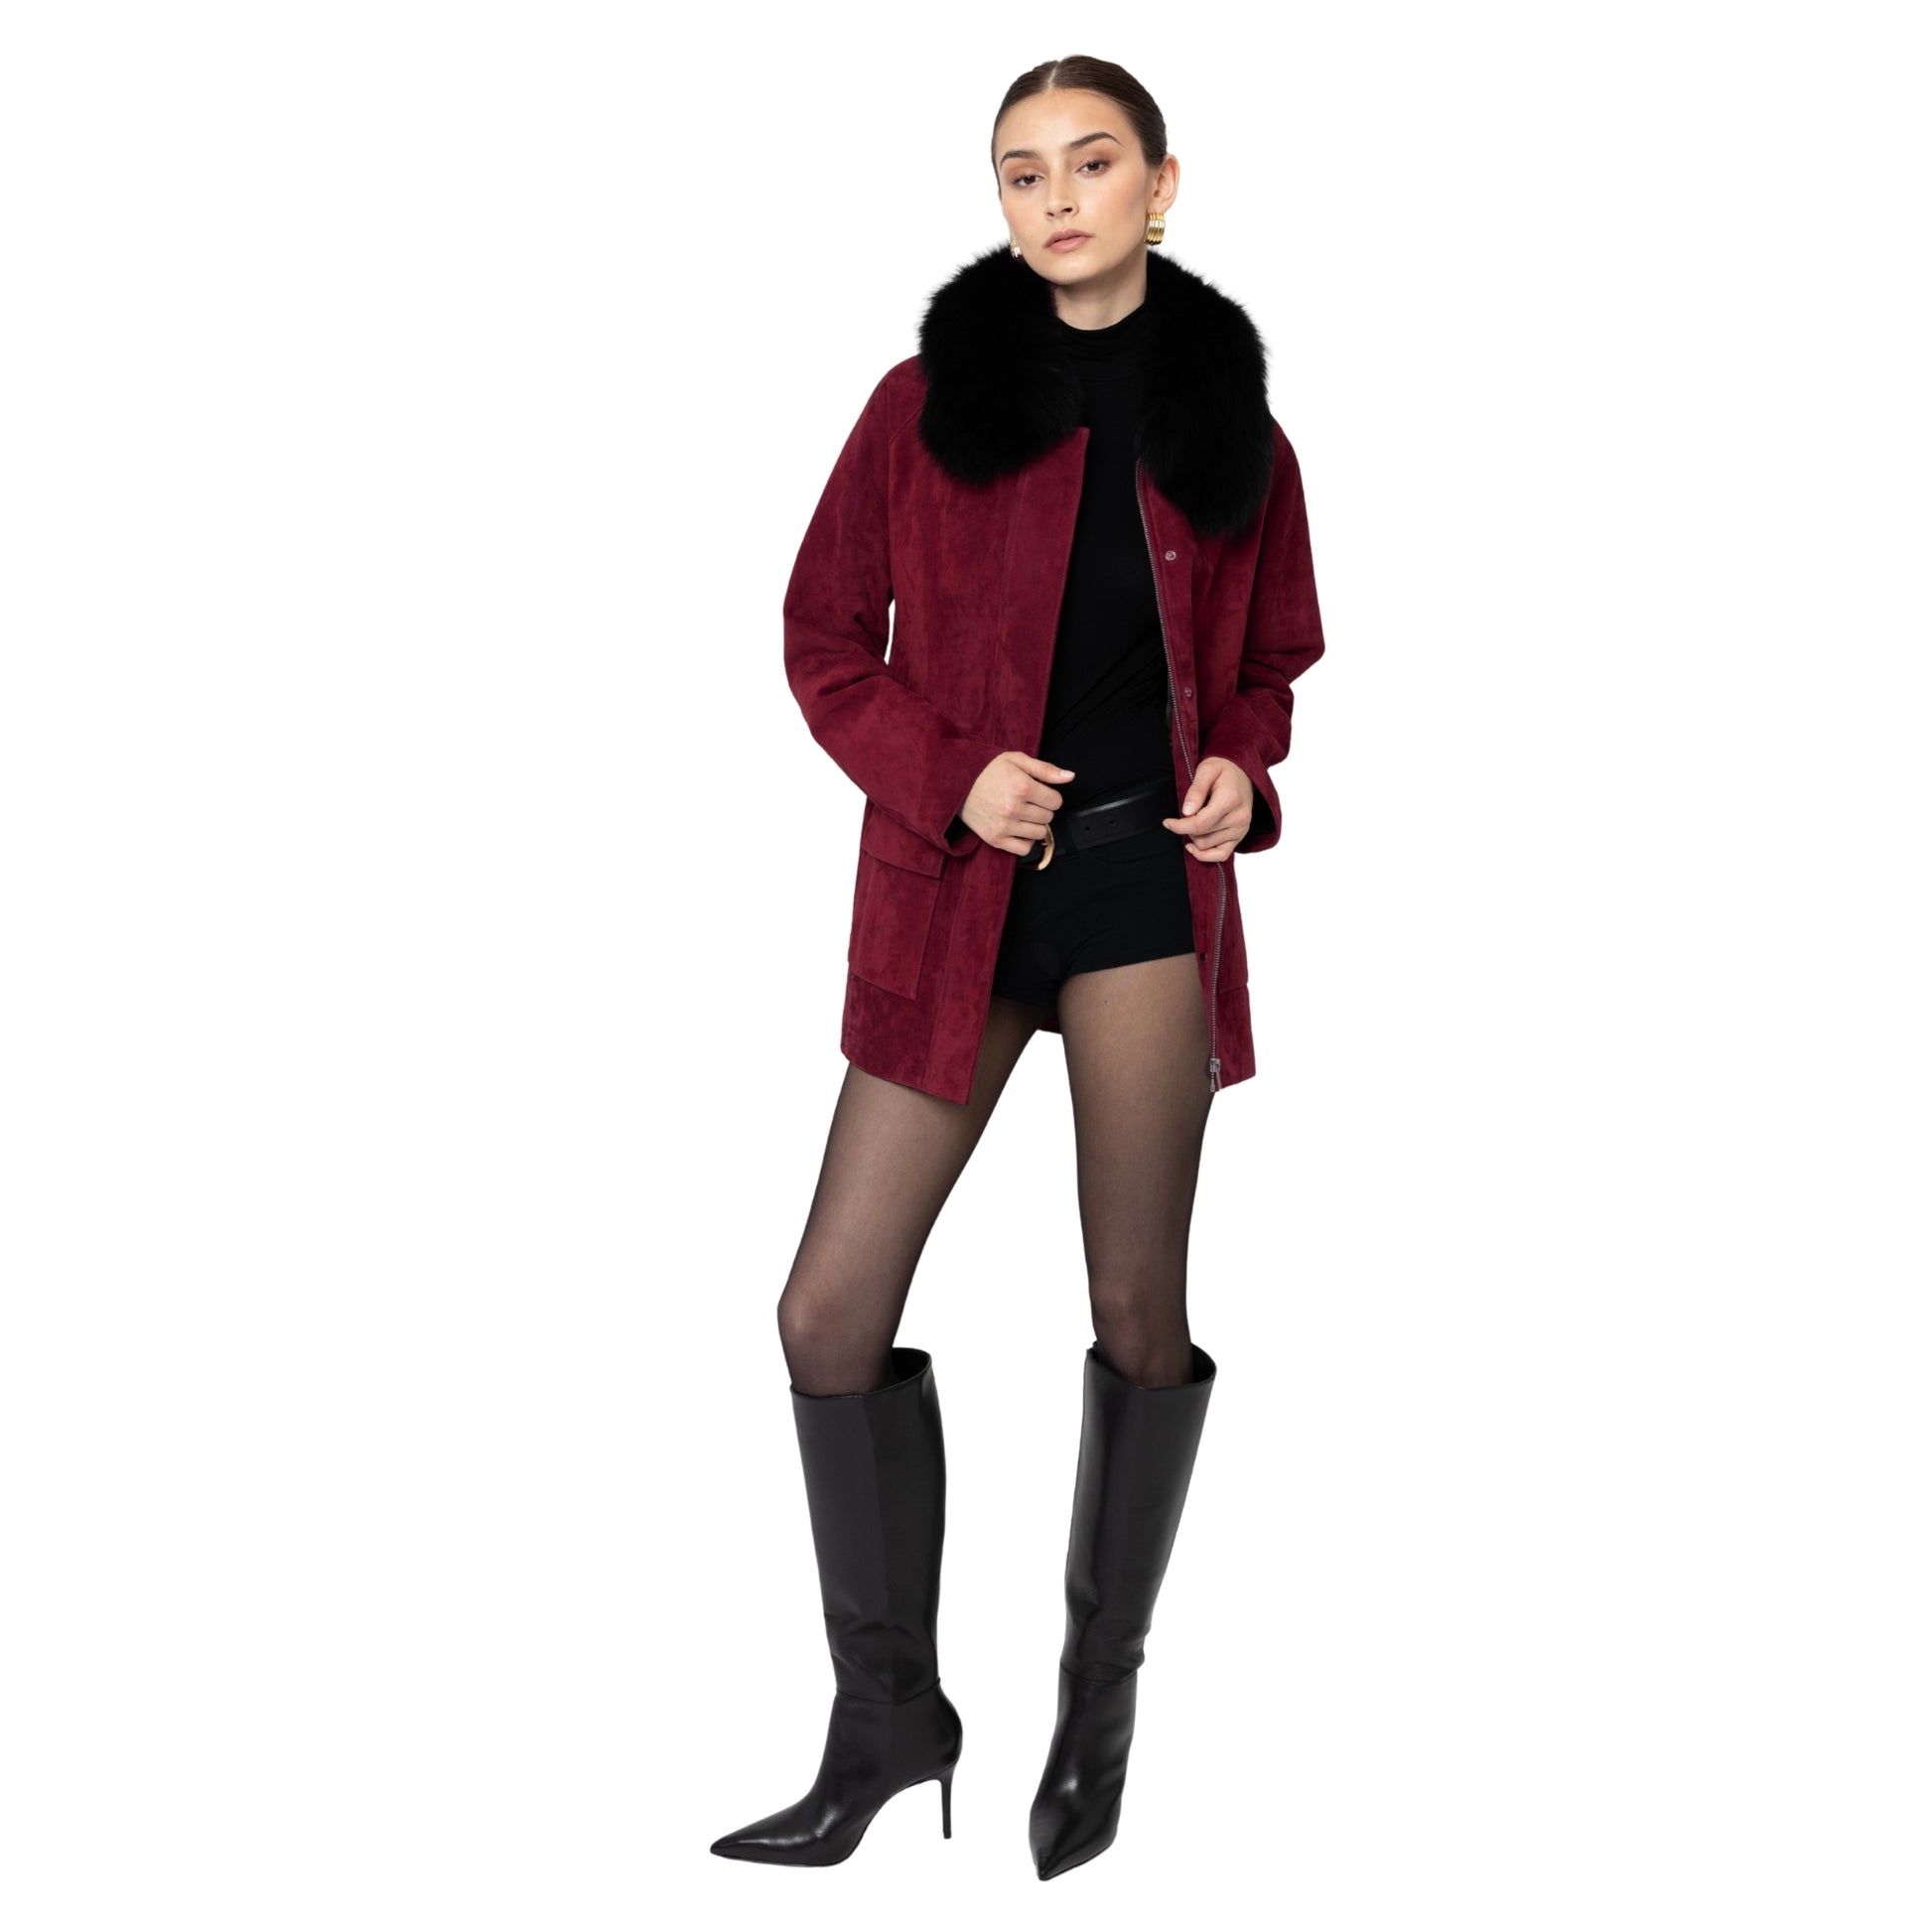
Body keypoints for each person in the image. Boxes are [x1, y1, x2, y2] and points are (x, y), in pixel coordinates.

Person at [710, 54, 1326, 1879]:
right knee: (826, 1311)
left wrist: (1245, 767)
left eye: (1090, 163)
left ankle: (1096, 1707)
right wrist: (945, 771)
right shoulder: (921, 406)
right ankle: (888, 1717)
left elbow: (1272, 657)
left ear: (1161, 184)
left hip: (1142, 898)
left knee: (1138, 1311)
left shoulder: (1235, 426)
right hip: (955, 893)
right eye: (1020, 172)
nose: (1056, 199)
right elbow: (823, 634)